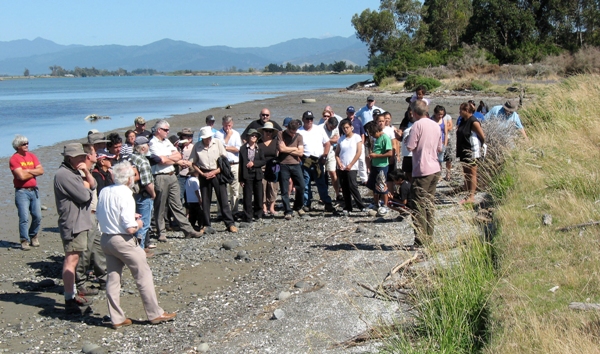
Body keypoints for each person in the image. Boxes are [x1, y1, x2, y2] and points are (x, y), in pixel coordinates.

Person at [96, 161, 176, 329]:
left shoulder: (104, 191)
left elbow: (105, 212)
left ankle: (116, 317)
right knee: (143, 275)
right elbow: (130, 228)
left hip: (106, 238)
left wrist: (131, 217)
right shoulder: (125, 193)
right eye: (134, 175)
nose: (135, 178)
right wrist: (138, 222)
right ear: (128, 179)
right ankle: (155, 313)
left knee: (113, 278)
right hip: (123, 240)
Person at [54, 143, 96, 313]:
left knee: (74, 259)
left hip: (78, 222)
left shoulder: (73, 172)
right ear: (70, 157)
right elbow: (85, 195)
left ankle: (73, 293)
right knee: (71, 261)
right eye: (80, 156)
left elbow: (92, 186)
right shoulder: (65, 175)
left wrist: (86, 173)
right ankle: (69, 299)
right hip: (73, 224)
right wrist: (86, 185)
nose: (83, 159)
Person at [149, 120, 203, 241]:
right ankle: (161, 231)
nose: (168, 132)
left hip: (172, 174)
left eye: (168, 130)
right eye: (166, 130)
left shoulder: (167, 141)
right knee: (160, 205)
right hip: (160, 175)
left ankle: (188, 230)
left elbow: (178, 155)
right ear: (159, 130)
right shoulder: (152, 143)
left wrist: (168, 158)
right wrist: (170, 158)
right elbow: (160, 160)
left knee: (177, 204)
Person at [405, 100, 442, 245]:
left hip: (422, 169)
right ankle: (429, 236)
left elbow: (410, 146)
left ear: (414, 113)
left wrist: (405, 138)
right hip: (435, 167)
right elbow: (439, 148)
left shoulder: (417, 125)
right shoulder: (435, 125)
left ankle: (421, 239)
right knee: (428, 204)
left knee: (418, 204)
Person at [190, 126, 238, 233]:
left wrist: (215, 172)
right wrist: (202, 173)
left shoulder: (217, 143)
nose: (209, 139)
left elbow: (224, 161)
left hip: (217, 173)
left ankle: (230, 223)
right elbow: (193, 162)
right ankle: (206, 224)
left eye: (209, 137)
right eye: (206, 137)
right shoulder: (197, 146)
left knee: (223, 199)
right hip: (204, 174)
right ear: (202, 138)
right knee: (205, 201)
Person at [10, 135, 44, 251]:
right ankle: (24, 240)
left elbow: (41, 170)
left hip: (34, 190)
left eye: (27, 143)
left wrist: (28, 170)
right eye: (24, 144)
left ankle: (33, 235)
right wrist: (33, 172)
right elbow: (21, 176)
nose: (27, 145)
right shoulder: (14, 159)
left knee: (37, 216)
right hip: (22, 192)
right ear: (18, 146)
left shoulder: (32, 156)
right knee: (24, 217)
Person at [298, 111, 335, 212]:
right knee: (306, 183)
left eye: (311, 119)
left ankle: (327, 202)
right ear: (303, 119)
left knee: (321, 183)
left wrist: (325, 156)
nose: (309, 121)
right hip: (305, 160)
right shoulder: (299, 132)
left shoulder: (319, 129)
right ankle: (307, 203)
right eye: (307, 119)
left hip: (318, 160)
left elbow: (327, 143)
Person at [129, 136, 156, 251]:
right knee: (143, 224)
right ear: (143, 148)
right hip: (143, 196)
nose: (149, 147)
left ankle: (136, 248)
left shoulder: (130, 157)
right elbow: (147, 182)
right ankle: (139, 250)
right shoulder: (143, 161)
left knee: (133, 222)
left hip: (132, 195)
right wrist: (153, 194)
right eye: (148, 145)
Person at [456, 102, 486, 205]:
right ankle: (468, 195)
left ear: (467, 111)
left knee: (472, 173)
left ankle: (472, 196)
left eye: (461, 110)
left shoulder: (473, 122)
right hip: (463, 150)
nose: (459, 112)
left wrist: (479, 147)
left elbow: (482, 136)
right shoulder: (462, 121)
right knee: (466, 173)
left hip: (471, 150)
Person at [277, 119, 305, 220]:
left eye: (295, 132)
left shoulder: (299, 136)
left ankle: (298, 206)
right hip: (284, 164)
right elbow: (281, 149)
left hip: (296, 164)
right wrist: (294, 149)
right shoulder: (281, 134)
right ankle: (287, 210)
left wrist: (288, 149)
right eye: (291, 132)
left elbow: (301, 153)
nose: (293, 134)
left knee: (301, 186)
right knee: (284, 189)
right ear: (287, 128)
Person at [335, 120, 365, 212]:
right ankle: (348, 206)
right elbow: (337, 153)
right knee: (344, 187)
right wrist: (339, 163)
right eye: (344, 128)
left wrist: (351, 164)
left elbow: (359, 152)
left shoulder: (356, 137)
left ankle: (361, 206)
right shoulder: (341, 139)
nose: (345, 130)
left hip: (352, 166)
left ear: (351, 127)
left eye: (347, 127)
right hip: (342, 166)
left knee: (352, 186)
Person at [214, 116, 242, 215]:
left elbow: (238, 148)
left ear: (232, 124)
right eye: (226, 126)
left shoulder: (237, 134)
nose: (227, 128)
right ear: (222, 124)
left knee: (234, 189)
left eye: (229, 125)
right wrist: (228, 136)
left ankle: (234, 211)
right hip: (223, 165)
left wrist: (226, 147)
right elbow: (219, 147)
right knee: (222, 189)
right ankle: (221, 212)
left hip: (234, 164)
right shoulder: (218, 134)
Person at [366, 114, 393, 213]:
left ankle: (385, 205)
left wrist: (376, 156)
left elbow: (389, 152)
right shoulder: (376, 139)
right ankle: (376, 204)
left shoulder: (385, 138)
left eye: (372, 134)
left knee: (382, 185)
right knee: (374, 186)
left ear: (376, 131)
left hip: (382, 165)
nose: (372, 136)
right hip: (374, 165)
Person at [238, 129, 266, 222]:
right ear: (248, 137)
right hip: (247, 175)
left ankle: (258, 214)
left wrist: (254, 163)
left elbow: (263, 161)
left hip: (257, 174)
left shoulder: (260, 148)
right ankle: (248, 216)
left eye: (255, 135)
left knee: (259, 195)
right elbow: (241, 164)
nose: (254, 137)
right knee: (247, 196)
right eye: (252, 135)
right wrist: (240, 179)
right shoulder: (242, 149)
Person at [339, 106, 368, 183]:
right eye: (349, 113)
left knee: (361, 161)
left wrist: (362, 143)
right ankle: (347, 175)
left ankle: (364, 179)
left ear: (354, 113)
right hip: (348, 143)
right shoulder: (343, 122)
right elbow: (341, 134)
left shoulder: (358, 121)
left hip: (358, 143)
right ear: (347, 113)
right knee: (348, 159)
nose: (351, 114)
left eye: (352, 113)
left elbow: (363, 133)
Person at [258, 122, 279, 216]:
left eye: (270, 131)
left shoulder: (276, 142)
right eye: (266, 131)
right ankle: (264, 207)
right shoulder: (259, 142)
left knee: (273, 187)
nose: (268, 133)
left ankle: (272, 207)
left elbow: (278, 154)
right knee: (262, 186)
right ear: (263, 131)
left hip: (273, 167)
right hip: (261, 167)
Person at [321, 116, 341, 201]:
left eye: (333, 128)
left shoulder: (335, 128)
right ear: (327, 123)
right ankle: (323, 195)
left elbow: (337, 139)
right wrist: (330, 140)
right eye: (331, 127)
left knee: (333, 173)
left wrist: (327, 140)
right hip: (321, 153)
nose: (332, 129)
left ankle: (338, 193)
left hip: (331, 153)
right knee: (322, 175)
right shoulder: (320, 128)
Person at [176, 128, 195, 207]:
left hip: (191, 174)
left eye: (190, 136)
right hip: (180, 175)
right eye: (184, 136)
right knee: (179, 195)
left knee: (190, 195)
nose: (188, 138)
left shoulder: (193, 147)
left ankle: (188, 214)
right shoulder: (178, 147)